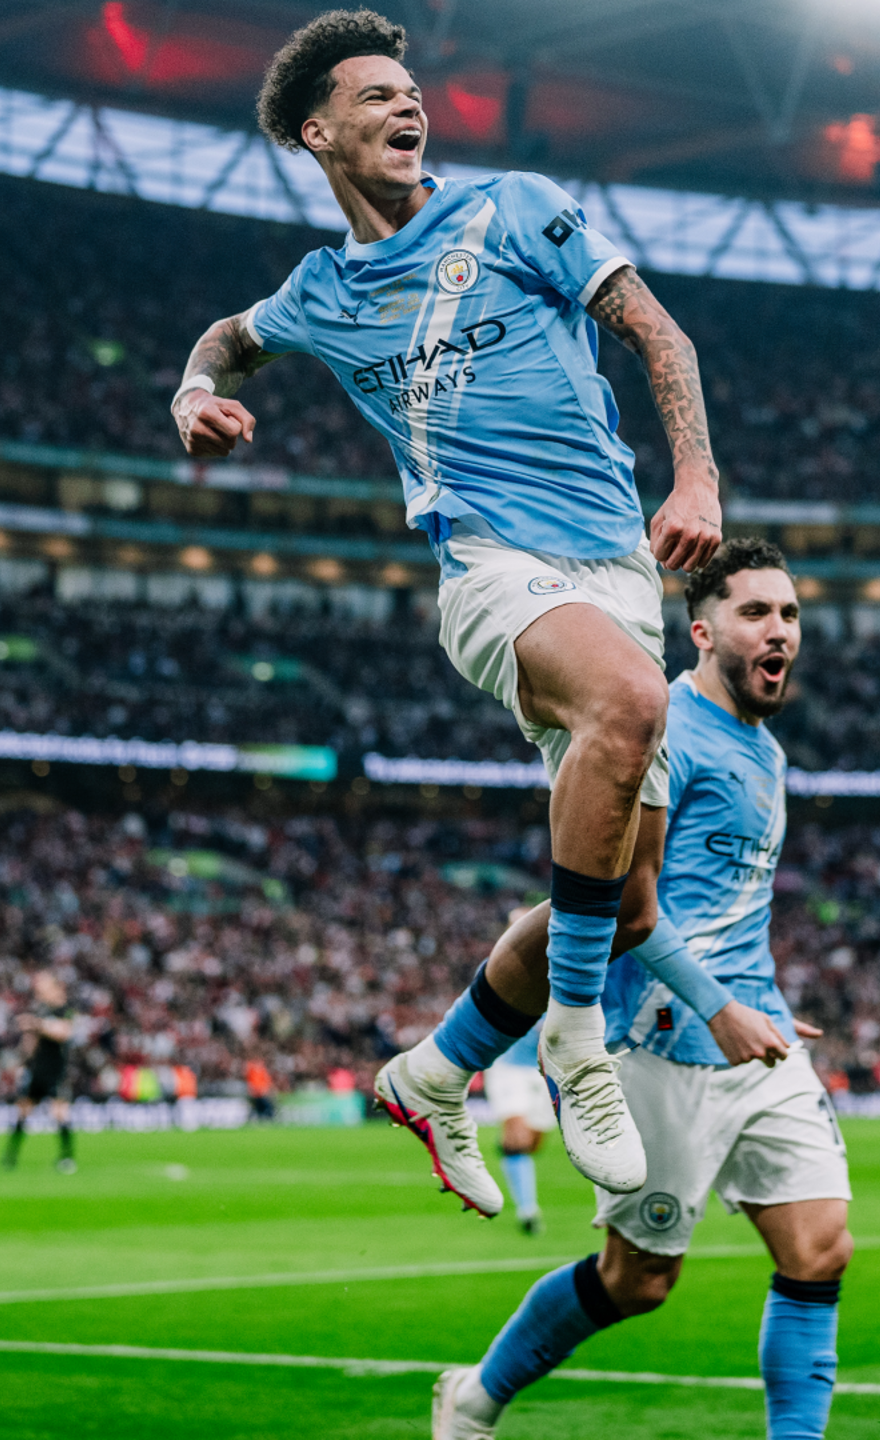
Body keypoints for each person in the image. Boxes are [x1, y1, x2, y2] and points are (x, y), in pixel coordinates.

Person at [172, 8, 749, 1211]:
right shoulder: (321, 290)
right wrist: (193, 389)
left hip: (614, 572)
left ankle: (437, 1071)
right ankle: (572, 1039)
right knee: (635, 699)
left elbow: (657, 329)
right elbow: (228, 336)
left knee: (623, 894)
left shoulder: (510, 207)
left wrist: (694, 478)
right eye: (375, 95)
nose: (406, 106)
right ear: (316, 132)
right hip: (490, 570)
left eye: (410, 89)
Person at [433, 540, 854, 1440]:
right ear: (702, 631)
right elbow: (627, 906)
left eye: (789, 615)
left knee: (821, 1249)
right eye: (755, 613)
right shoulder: (659, 729)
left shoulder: (766, 749)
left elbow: (729, 909)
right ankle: (473, 1399)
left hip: (756, 1037)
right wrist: (718, 1004)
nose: (779, 630)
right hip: (657, 1044)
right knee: (638, 1283)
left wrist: (757, 999)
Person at [482, 1021, 556, 1235]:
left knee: (534, 1143)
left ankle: (509, 1151)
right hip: (508, 1066)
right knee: (519, 1140)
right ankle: (528, 1211)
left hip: (544, 1068)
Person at [3, 972, 78, 1173]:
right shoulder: (41, 1009)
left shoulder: (63, 1010)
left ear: (53, 987)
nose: (38, 990)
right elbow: (32, 1042)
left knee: (59, 1112)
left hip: (56, 1070)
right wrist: (22, 1059)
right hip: (37, 1069)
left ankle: (67, 1158)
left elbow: (63, 1033)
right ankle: (10, 1157)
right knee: (23, 1110)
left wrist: (36, 1024)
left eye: (42, 985)